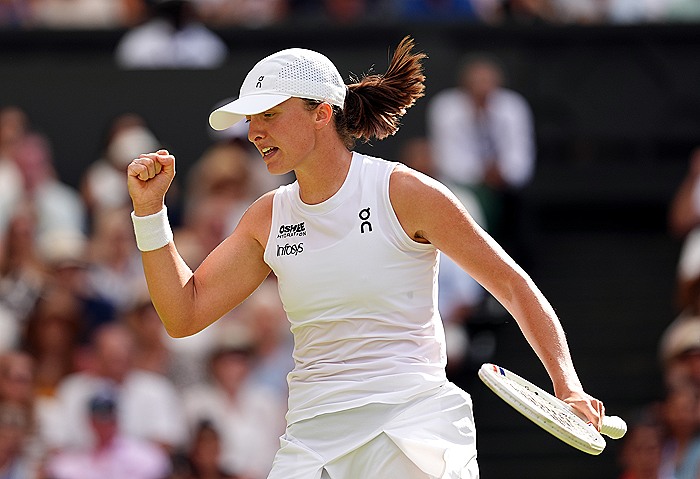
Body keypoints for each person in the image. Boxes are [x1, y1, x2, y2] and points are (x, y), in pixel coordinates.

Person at [127, 36, 605, 478]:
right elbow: (183, 315)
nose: (254, 132)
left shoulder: (405, 192)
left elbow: (513, 286)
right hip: (312, 437)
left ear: (321, 113)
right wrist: (150, 213)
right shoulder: (266, 217)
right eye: (251, 120)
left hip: (413, 425)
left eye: (269, 114)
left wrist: (568, 387)